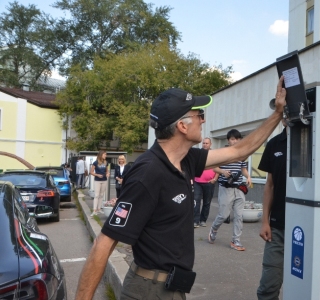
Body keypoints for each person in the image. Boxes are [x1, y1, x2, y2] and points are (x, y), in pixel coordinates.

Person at [75, 76, 286, 300]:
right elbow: (104, 243)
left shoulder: (186, 159)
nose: (203, 121)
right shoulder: (148, 173)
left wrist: (277, 114)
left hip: (170, 288)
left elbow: (239, 151)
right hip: (149, 291)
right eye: (199, 115)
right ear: (182, 126)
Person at [256, 120, 287, 300]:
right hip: (278, 229)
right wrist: (265, 221)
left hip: (308, 229)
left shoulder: (316, 141)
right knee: (268, 288)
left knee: (306, 284)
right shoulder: (274, 144)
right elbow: (270, 185)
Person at [208, 129, 252, 251]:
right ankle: (214, 229)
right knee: (223, 215)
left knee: (239, 216)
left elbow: (243, 169)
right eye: (233, 139)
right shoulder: (222, 153)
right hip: (226, 188)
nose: (235, 141)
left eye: (237, 139)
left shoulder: (242, 154)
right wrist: (223, 172)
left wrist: (248, 177)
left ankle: (235, 241)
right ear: (228, 140)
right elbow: (213, 167)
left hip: (239, 188)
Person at [193, 137, 219, 228]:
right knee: (196, 201)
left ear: (210, 144)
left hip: (209, 183)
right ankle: (195, 221)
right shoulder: (198, 154)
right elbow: (193, 166)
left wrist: (215, 179)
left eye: (207, 143)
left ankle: (203, 220)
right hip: (197, 182)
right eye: (203, 143)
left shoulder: (214, 155)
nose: (205, 144)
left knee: (207, 202)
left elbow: (218, 168)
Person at [89, 150, 109, 216]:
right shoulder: (95, 163)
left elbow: (107, 171)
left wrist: (108, 174)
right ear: (101, 155)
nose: (105, 156)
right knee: (96, 195)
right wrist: (97, 175)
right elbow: (91, 172)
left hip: (104, 180)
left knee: (101, 195)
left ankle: (99, 209)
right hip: (97, 180)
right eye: (104, 154)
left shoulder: (106, 162)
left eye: (106, 154)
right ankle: (94, 210)